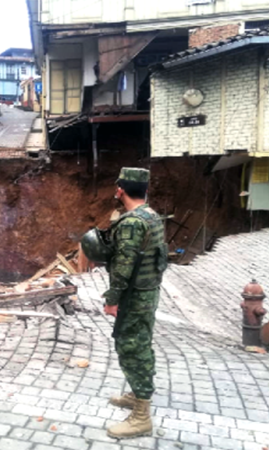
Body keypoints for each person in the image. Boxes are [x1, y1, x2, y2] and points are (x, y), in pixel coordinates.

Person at [103, 168, 168, 439]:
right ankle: (136, 394)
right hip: (148, 291)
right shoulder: (152, 215)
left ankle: (141, 417)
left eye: (117, 187)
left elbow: (124, 265)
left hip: (133, 296)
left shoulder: (131, 223)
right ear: (145, 191)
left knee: (132, 349)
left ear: (120, 189)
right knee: (141, 343)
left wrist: (112, 298)